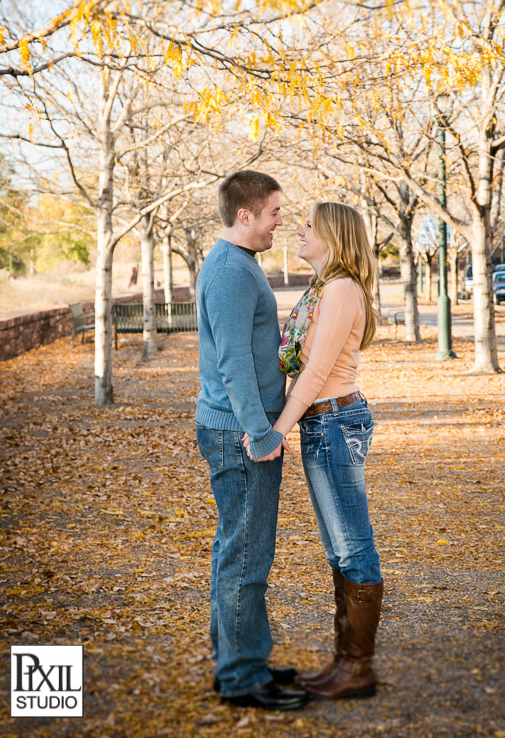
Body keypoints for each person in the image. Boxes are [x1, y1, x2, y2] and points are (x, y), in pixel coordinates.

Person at [244, 201, 383, 700]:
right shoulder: (323, 289)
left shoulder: (341, 289)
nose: (297, 231)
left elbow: (316, 372)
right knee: (338, 547)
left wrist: (275, 431)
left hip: (334, 422)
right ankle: (344, 660)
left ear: (334, 237)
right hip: (323, 424)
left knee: (353, 546)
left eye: (309, 226)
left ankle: (358, 668)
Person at [195, 170, 308, 712]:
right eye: (274, 212)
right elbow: (234, 362)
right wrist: (261, 433)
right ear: (246, 216)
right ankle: (241, 678)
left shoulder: (237, 265)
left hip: (236, 429)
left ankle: (237, 661)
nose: (279, 221)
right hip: (240, 434)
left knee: (234, 550)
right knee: (247, 555)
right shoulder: (232, 273)